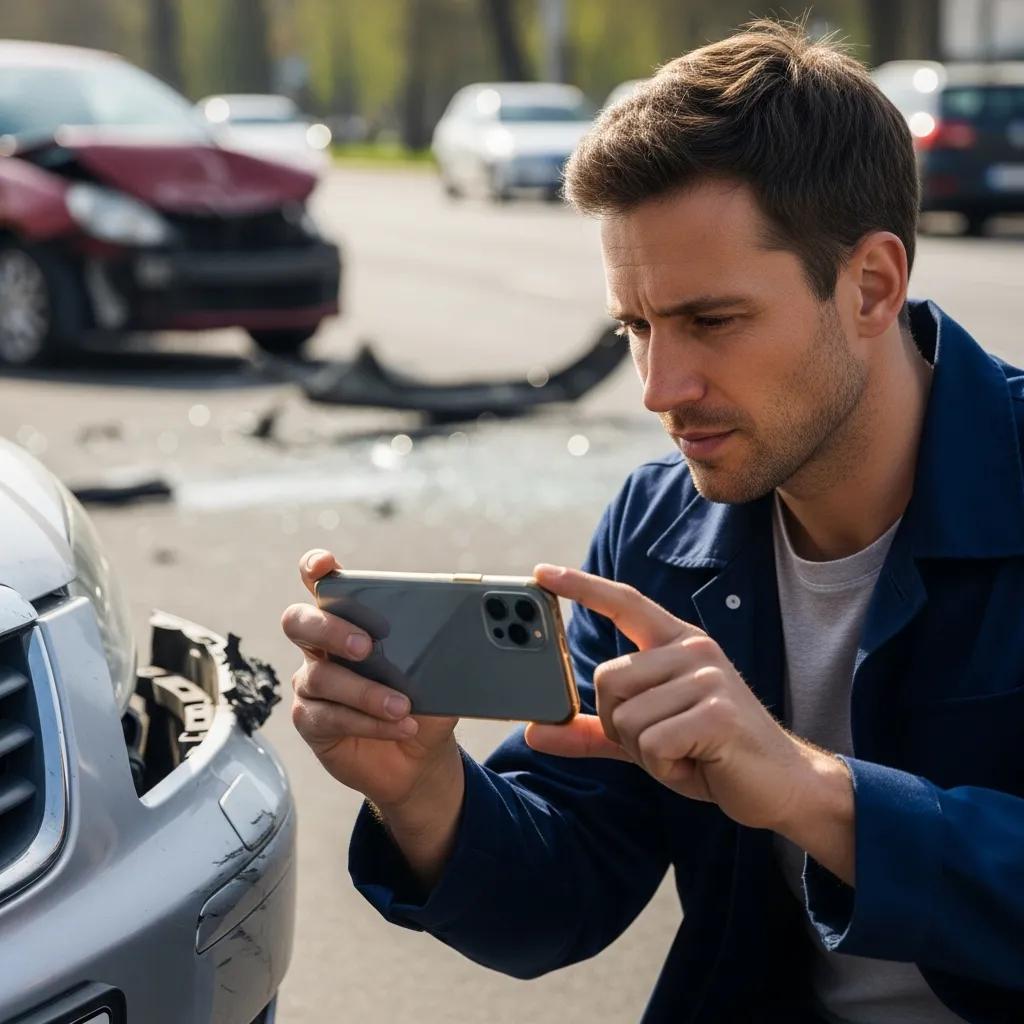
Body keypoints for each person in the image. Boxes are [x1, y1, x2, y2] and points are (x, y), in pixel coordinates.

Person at [281, 20, 1024, 1024]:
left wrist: (810, 792)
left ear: (871, 286)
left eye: (711, 321)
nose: (659, 388)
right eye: (636, 326)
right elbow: (563, 895)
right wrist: (424, 793)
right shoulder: (659, 524)